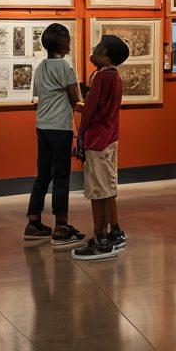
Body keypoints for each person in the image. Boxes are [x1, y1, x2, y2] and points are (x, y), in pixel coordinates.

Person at [24, 23, 86, 247]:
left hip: (42, 126)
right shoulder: (66, 68)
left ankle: (34, 221)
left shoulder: (40, 68)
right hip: (60, 128)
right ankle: (61, 225)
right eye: (67, 38)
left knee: (43, 175)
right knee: (61, 176)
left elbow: (36, 99)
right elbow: (74, 99)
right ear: (62, 42)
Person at [72, 34, 129, 261]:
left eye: (98, 47)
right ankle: (114, 229)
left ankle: (100, 238)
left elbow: (90, 111)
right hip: (110, 138)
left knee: (97, 192)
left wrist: (80, 129)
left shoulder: (101, 78)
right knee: (108, 188)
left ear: (106, 57)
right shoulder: (114, 77)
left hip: (97, 140)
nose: (93, 49)